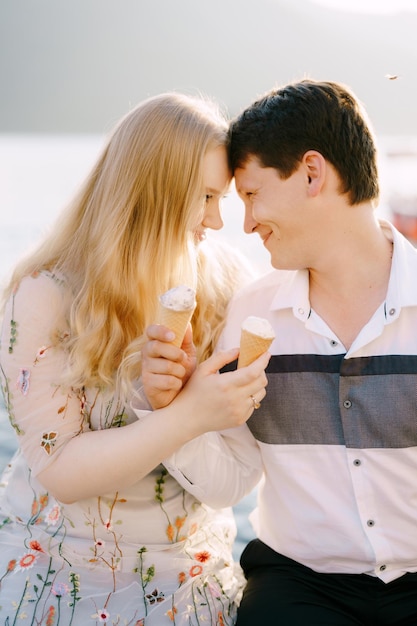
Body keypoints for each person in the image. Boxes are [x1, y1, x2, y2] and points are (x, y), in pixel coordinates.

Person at [141, 79, 417, 625]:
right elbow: (233, 478)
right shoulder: (253, 315)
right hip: (299, 587)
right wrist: (172, 408)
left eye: (251, 195)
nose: (245, 224)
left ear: (312, 173)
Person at [0, 92, 270, 625]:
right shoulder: (43, 295)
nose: (218, 222)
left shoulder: (228, 285)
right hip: (59, 580)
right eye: (207, 198)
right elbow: (62, 471)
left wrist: (185, 409)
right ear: (156, 193)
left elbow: (237, 479)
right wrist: (187, 414)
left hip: (187, 587)